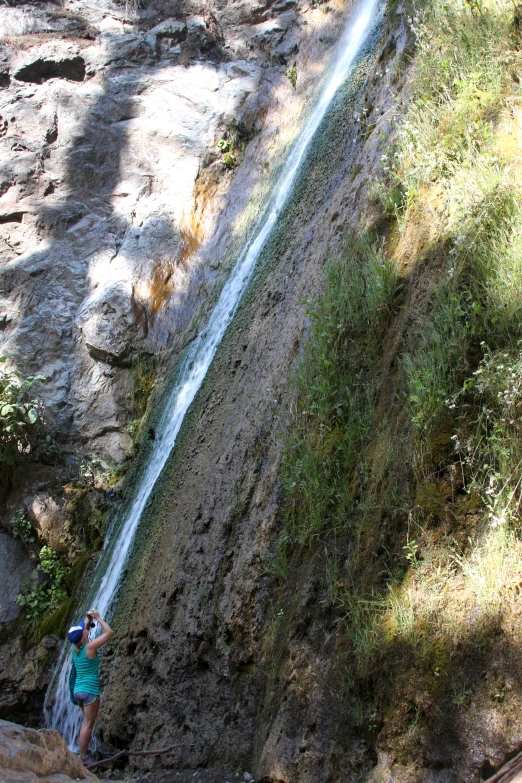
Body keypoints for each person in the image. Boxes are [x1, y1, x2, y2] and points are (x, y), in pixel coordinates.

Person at [67, 608, 113, 767]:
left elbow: (83, 632)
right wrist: (99, 618)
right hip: (89, 691)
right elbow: (109, 632)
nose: (85, 630)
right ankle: (83, 756)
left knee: (86, 723)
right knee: (88, 724)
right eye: (84, 630)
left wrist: (88, 620)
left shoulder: (75, 649)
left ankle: (83, 750)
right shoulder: (90, 647)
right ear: (84, 636)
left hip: (78, 692)